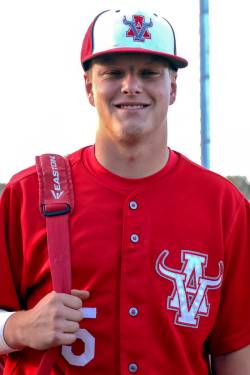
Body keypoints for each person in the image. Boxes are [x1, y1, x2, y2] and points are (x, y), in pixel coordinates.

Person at [0, 7, 250, 375]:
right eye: (113, 73)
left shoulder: (224, 205)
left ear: (173, 88)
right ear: (89, 87)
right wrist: (16, 328)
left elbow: (233, 350)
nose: (131, 85)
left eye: (149, 72)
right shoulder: (28, 193)